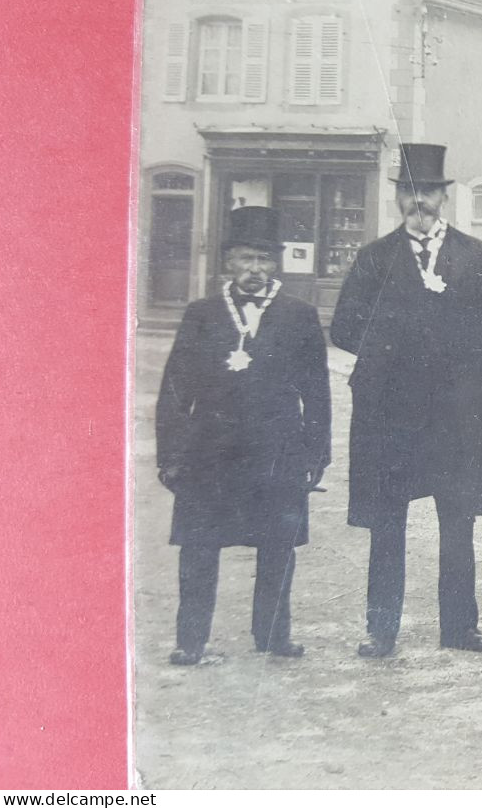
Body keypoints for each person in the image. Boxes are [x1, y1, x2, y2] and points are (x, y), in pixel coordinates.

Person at [329, 143, 482, 658]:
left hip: (459, 414)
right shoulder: (374, 258)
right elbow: (344, 326)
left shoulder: (474, 255)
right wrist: (396, 337)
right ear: (397, 198)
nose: (420, 202)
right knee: (387, 523)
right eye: (410, 192)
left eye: (429, 192)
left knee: (457, 522)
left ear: (443, 197)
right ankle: (381, 630)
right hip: (391, 413)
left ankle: (459, 627)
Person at [155, 206, 330, 665]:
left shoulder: (299, 315)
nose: (255, 270)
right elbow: (174, 391)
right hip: (208, 452)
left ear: (277, 264)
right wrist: (169, 455)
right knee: (198, 547)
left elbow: (317, 393)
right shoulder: (202, 314)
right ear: (229, 262)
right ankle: (190, 641)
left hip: (277, 450)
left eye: (265, 260)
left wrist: (317, 453)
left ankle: (273, 636)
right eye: (246, 259)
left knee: (277, 547)